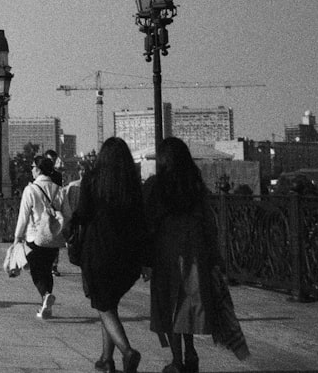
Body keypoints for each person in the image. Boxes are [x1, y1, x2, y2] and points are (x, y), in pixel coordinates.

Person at [144, 137, 222, 373]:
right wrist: (214, 255)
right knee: (187, 302)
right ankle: (191, 352)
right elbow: (209, 221)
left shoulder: (155, 186)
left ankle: (177, 360)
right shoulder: (195, 186)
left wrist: (144, 259)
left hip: (166, 248)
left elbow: (147, 222)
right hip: (194, 248)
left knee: (168, 303)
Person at [73, 137, 146, 373]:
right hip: (128, 255)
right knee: (109, 304)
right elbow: (141, 219)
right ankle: (106, 360)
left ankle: (127, 351)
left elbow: (83, 213)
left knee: (103, 305)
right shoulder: (133, 183)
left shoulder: (92, 180)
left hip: (99, 252)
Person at [14, 154, 64, 318]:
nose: (31, 171)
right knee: (47, 270)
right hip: (53, 237)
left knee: (36, 270)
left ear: (39, 169)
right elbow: (66, 213)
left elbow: (24, 215)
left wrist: (17, 236)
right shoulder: (58, 189)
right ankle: (46, 304)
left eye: (32, 167)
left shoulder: (30, 189)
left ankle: (45, 296)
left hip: (35, 237)